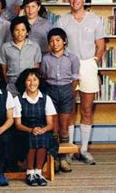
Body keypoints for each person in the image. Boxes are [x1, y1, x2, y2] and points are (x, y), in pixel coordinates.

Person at [56, 0, 105, 165]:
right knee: (68, 110)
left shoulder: (95, 20)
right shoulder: (62, 21)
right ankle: (69, 149)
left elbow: (101, 45)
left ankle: (83, 150)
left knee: (86, 108)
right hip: (68, 66)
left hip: (87, 65)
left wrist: (94, 61)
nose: (75, 1)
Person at [40, 28, 80, 173]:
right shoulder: (45, 59)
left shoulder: (72, 58)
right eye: (51, 41)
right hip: (50, 91)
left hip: (66, 91)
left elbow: (75, 78)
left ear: (64, 41)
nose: (54, 43)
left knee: (64, 126)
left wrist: (70, 92)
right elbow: (43, 76)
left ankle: (64, 158)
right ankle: (54, 158)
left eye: (58, 40)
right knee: (53, 127)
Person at [14, 68, 56, 187]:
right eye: (28, 80)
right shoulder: (18, 99)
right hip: (24, 130)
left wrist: (43, 129)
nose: (32, 83)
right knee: (31, 138)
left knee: (42, 138)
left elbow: (50, 124)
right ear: (24, 82)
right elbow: (18, 124)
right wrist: (31, 130)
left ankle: (38, 172)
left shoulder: (46, 99)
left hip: (43, 129)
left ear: (40, 81)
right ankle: (30, 172)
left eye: (35, 79)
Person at [0, 16, 41, 97]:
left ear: (27, 32)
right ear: (12, 32)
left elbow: (36, 68)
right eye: (17, 30)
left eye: (23, 30)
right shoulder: (5, 47)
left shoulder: (35, 47)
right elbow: (3, 69)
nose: (20, 33)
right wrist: (8, 83)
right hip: (12, 86)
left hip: (29, 86)